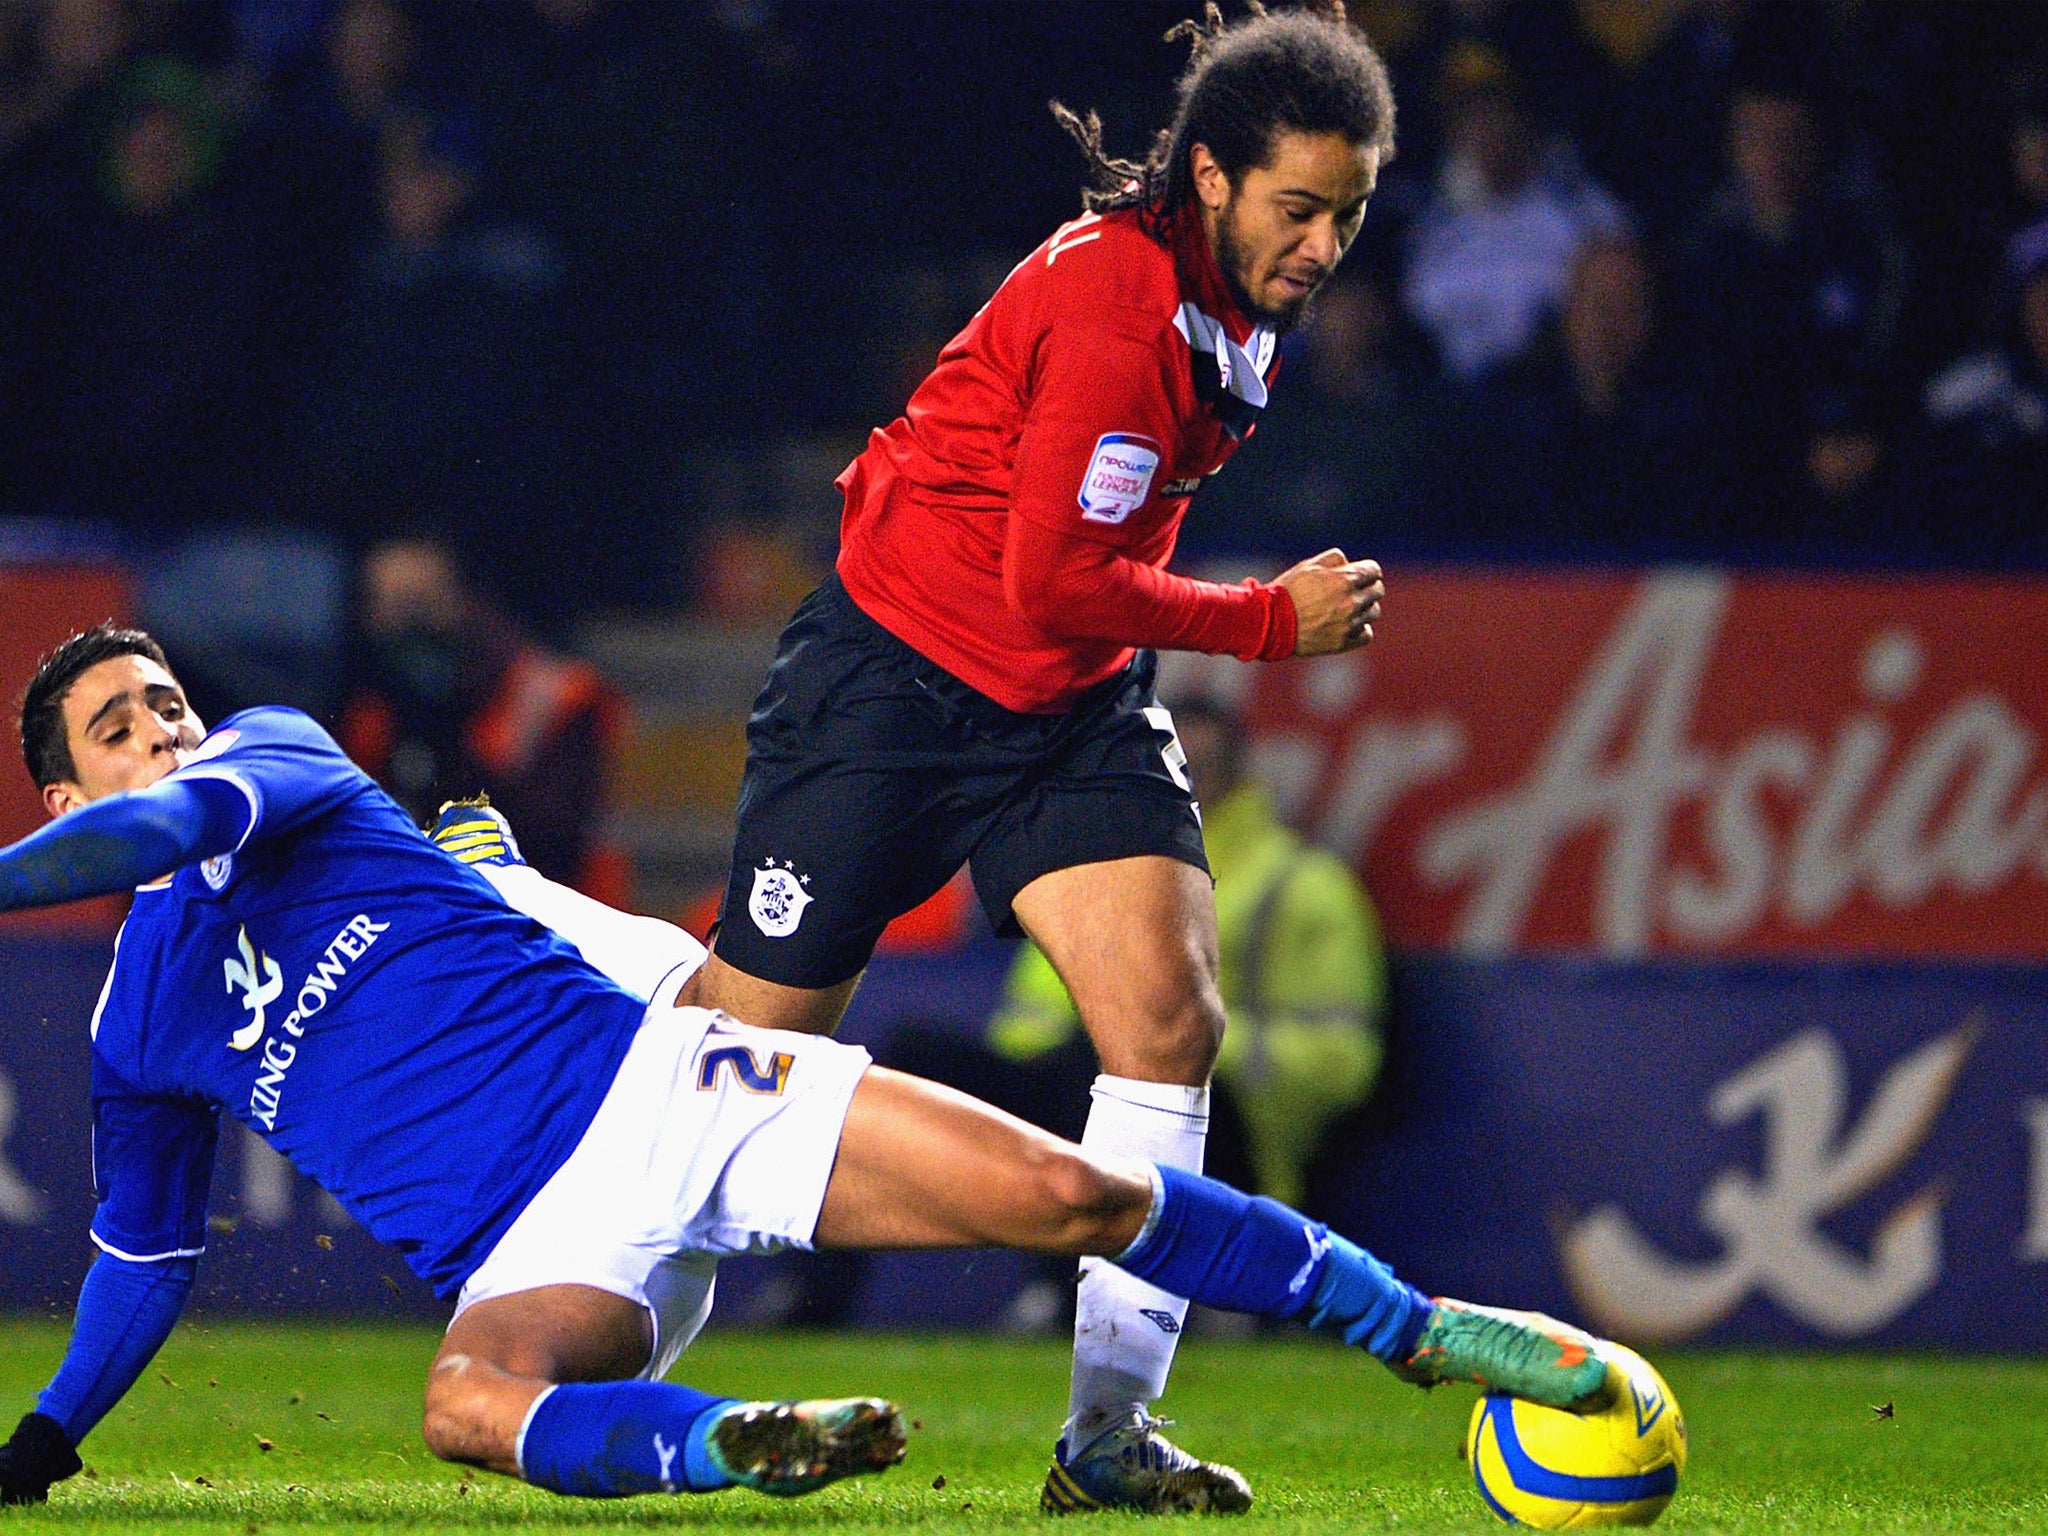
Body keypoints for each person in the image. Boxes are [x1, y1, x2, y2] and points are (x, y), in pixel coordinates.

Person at [0, 624, 1617, 1511]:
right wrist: (46, 1444)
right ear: (64, 802)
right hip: (533, 1255)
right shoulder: (137, 1029)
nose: (166, 729)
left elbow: (181, 822)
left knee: (1068, 1193)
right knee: (464, 1401)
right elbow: (144, 1259)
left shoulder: (269, 760)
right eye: (122, 728)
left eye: (167, 701)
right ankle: (741, 1439)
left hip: (662, 1092)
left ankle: (1412, 1329)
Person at [691, 5, 1395, 1508]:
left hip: (1063, 704)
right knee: (729, 1064)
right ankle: (558, 1325)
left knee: (1168, 1020)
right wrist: (1272, 622)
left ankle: (1105, 1440)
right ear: (1210, 178)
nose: (1326, 243)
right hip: (893, 684)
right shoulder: (1120, 308)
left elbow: (1083, 585)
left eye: (1349, 211)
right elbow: (1051, 578)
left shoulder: (1242, 298)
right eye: (1299, 207)